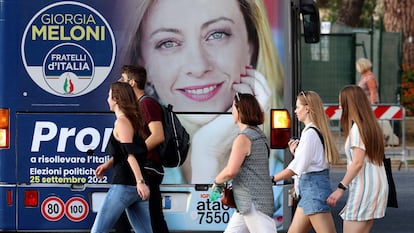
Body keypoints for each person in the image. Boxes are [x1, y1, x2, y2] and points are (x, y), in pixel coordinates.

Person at [121, 0, 283, 184]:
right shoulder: (136, 164)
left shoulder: (283, 168)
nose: (198, 67)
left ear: (251, 45)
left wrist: (208, 150)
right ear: (143, 63)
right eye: (168, 43)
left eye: (217, 34)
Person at [272, 91, 339, 233]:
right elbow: (310, 161)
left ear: (307, 108)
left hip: (313, 190)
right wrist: (296, 153)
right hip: (312, 190)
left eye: (297, 107)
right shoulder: (315, 130)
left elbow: (295, 168)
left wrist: (272, 179)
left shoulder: (309, 134)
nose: (295, 111)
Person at [91, 82, 152, 233]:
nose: (107, 99)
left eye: (109, 95)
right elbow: (126, 151)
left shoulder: (122, 122)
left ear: (116, 99)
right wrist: (108, 164)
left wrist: (140, 182)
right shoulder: (132, 121)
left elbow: (129, 154)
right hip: (136, 187)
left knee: (98, 230)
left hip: (125, 185)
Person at [327, 85, 388, 233]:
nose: (339, 107)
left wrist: (341, 188)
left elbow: (357, 163)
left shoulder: (357, 129)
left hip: (364, 188)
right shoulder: (371, 126)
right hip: (376, 186)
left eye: (341, 102)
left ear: (350, 104)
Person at [212, 93, 276, 233]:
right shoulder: (259, 134)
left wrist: (217, 181)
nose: (231, 111)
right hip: (248, 203)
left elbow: (231, 171)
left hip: (253, 202)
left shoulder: (244, 138)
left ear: (240, 110)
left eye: (233, 107)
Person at [119, 64, 170, 233]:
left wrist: (135, 152)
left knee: (152, 217)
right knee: (149, 217)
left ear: (132, 83)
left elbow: (158, 135)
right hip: (144, 168)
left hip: (148, 168)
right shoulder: (140, 105)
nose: (120, 82)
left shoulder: (146, 104)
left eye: (123, 79)